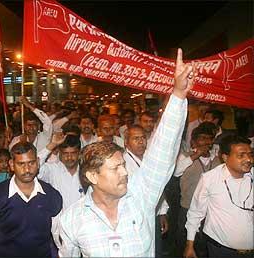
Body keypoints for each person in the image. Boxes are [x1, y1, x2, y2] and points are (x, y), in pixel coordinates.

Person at [58, 48, 192, 257]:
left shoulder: (141, 195)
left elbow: (162, 152)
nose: (125, 172)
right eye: (116, 168)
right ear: (92, 175)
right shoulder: (71, 219)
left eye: (123, 165)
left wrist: (177, 96)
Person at [0, 142, 63, 257]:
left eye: (31, 163)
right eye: (21, 164)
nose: (27, 169)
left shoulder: (51, 196)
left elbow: (60, 239)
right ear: (11, 164)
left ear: (38, 162)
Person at [184, 135, 253, 258]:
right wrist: (190, 245)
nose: (248, 159)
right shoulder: (210, 178)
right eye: (241, 155)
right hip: (221, 250)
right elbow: (195, 212)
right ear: (225, 157)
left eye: (250, 154)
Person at [123, 124, 170, 257]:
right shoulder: (123, 162)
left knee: (156, 251)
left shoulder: (150, 159)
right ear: (126, 142)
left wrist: (162, 212)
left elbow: (158, 187)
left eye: (143, 137)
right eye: (135, 138)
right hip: (134, 219)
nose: (141, 141)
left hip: (153, 214)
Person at [174, 123, 220, 256]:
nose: (206, 141)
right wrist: (195, 155)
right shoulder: (184, 156)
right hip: (187, 207)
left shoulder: (217, 159)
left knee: (205, 244)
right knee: (184, 243)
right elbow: (176, 172)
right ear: (193, 141)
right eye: (202, 138)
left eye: (209, 138)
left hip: (211, 210)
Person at [38, 133, 84, 210]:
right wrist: (52, 145)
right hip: (59, 221)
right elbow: (32, 166)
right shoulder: (52, 170)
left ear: (79, 153)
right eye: (65, 153)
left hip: (81, 220)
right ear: (59, 153)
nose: (69, 157)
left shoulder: (86, 173)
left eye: (73, 153)